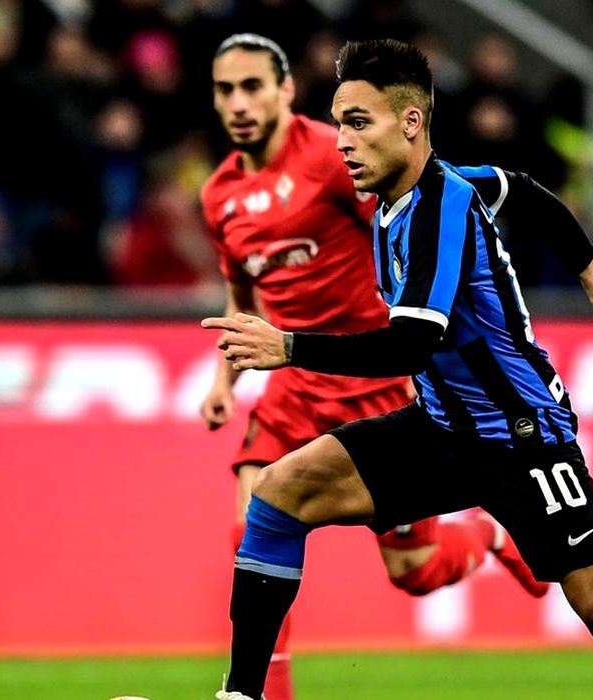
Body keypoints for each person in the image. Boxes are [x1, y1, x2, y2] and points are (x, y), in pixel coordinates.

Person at [203, 39, 593, 700]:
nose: (343, 143)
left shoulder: (439, 207)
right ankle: (243, 696)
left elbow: (410, 346)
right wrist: (585, 259)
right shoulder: (404, 194)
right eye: (338, 125)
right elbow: (521, 190)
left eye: (358, 123)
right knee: (280, 492)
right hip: (443, 429)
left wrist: (289, 347)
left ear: (410, 122)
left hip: (522, 438)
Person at [199, 33, 549, 700]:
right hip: (292, 389)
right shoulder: (220, 195)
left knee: (415, 570)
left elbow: (414, 223)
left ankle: (485, 535)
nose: (239, 103)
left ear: (285, 91)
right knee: (253, 528)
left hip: (372, 386)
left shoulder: (334, 158)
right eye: (225, 90)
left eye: (252, 86)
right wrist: (224, 382)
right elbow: (242, 296)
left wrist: (429, 330)